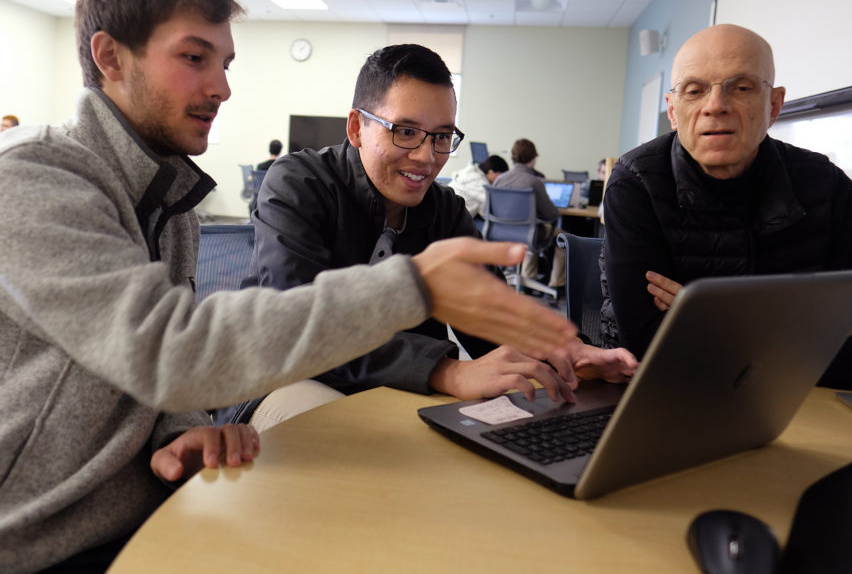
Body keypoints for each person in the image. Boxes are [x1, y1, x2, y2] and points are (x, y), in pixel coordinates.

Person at [0, 0, 586, 574]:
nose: (224, 86)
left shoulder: (168, 201)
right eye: (194, 58)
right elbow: (173, 349)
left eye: (225, 63)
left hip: (115, 507)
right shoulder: (26, 178)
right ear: (110, 57)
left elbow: (141, 362)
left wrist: (180, 429)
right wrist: (415, 292)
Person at [236, 44, 635, 430]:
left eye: (442, 137)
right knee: (355, 437)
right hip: (287, 379)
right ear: (357, 128)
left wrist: (565, 353)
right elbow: (297, 326)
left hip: (395, 386)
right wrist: (447, 371)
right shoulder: (299, 184)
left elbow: (488, 315)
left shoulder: (444, 209)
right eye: (406, 131)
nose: (426, 157)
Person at [600, 23, 852, 388]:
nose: (716, 106)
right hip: (672, 397)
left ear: (774, 105)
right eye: (694, 91)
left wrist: (711, 323)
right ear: (673, 111)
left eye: (740, 88)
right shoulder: (637, 183)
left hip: (806, 404)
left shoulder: (826, 185)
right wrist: (806, 332)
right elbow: (648, 345)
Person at [492, 138, 566, 289]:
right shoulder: (534, 182)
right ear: (533, 159)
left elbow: (490, 210)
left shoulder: (499, 180)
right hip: (528, 235)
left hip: (500, 233)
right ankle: (556, 284)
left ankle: (526, 283)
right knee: (563, 238)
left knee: (532, 229)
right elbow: (551, 215)